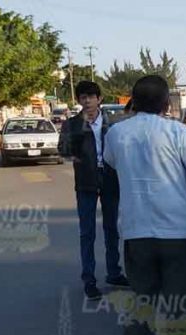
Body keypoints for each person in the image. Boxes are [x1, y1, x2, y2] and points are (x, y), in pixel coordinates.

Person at [103, 75, 186, 335]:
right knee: (179, 302)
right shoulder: (177, 132)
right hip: (177, 231)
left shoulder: (116, 133)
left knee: (142, 300)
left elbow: (111, 164)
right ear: (167, 104)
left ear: (134, 102)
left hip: (136, 230)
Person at [59, 81, 128, 299]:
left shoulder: (113, 123)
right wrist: (80, 132)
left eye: (91, 96)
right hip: (86, 181)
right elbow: (63, 151)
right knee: (87, 232)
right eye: (82, 97)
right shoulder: (71, 124)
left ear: (99, 99)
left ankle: (114, 272)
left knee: (112, 229)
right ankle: (89, 279)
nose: (87, 101)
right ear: (78, 100)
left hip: (110, 179)